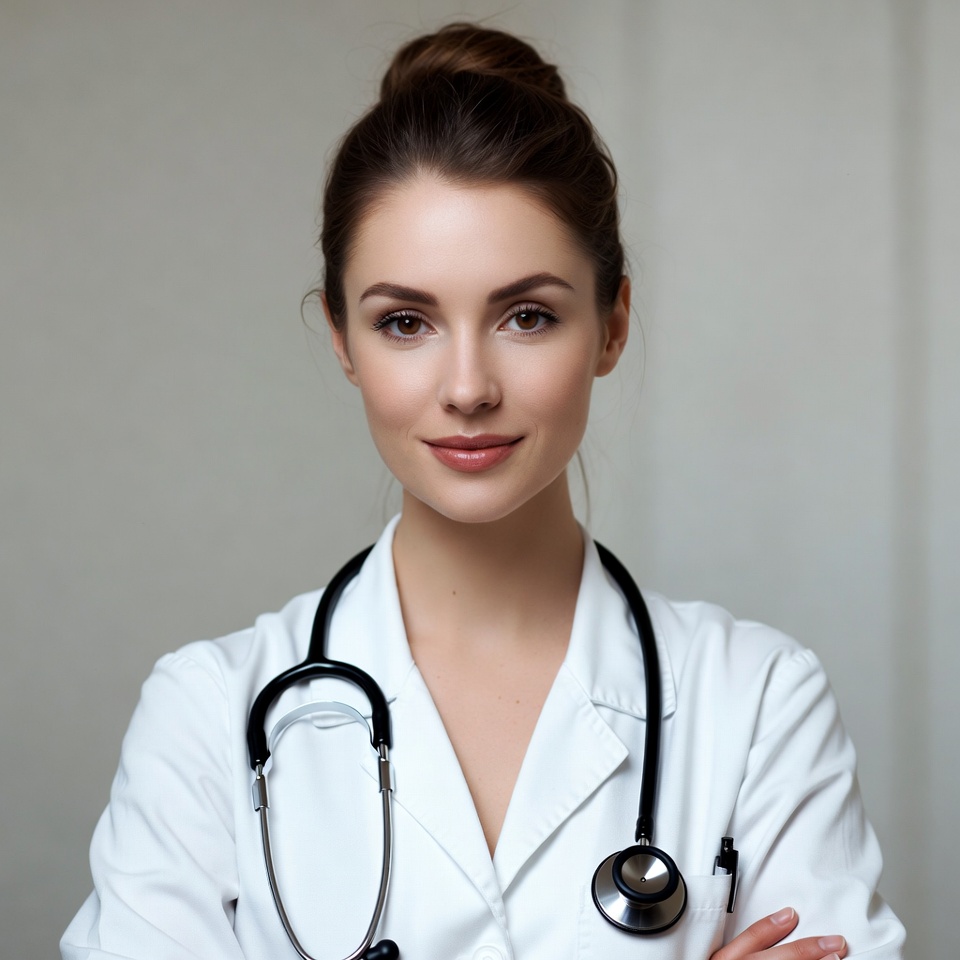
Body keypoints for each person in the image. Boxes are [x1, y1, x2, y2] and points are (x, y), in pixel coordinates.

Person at [61, 22, 905, 960]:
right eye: (406, 321)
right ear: (342, 339)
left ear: (614, 324)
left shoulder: (757, 706)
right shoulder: (208, 716)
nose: (467, 387)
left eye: (527, 315)